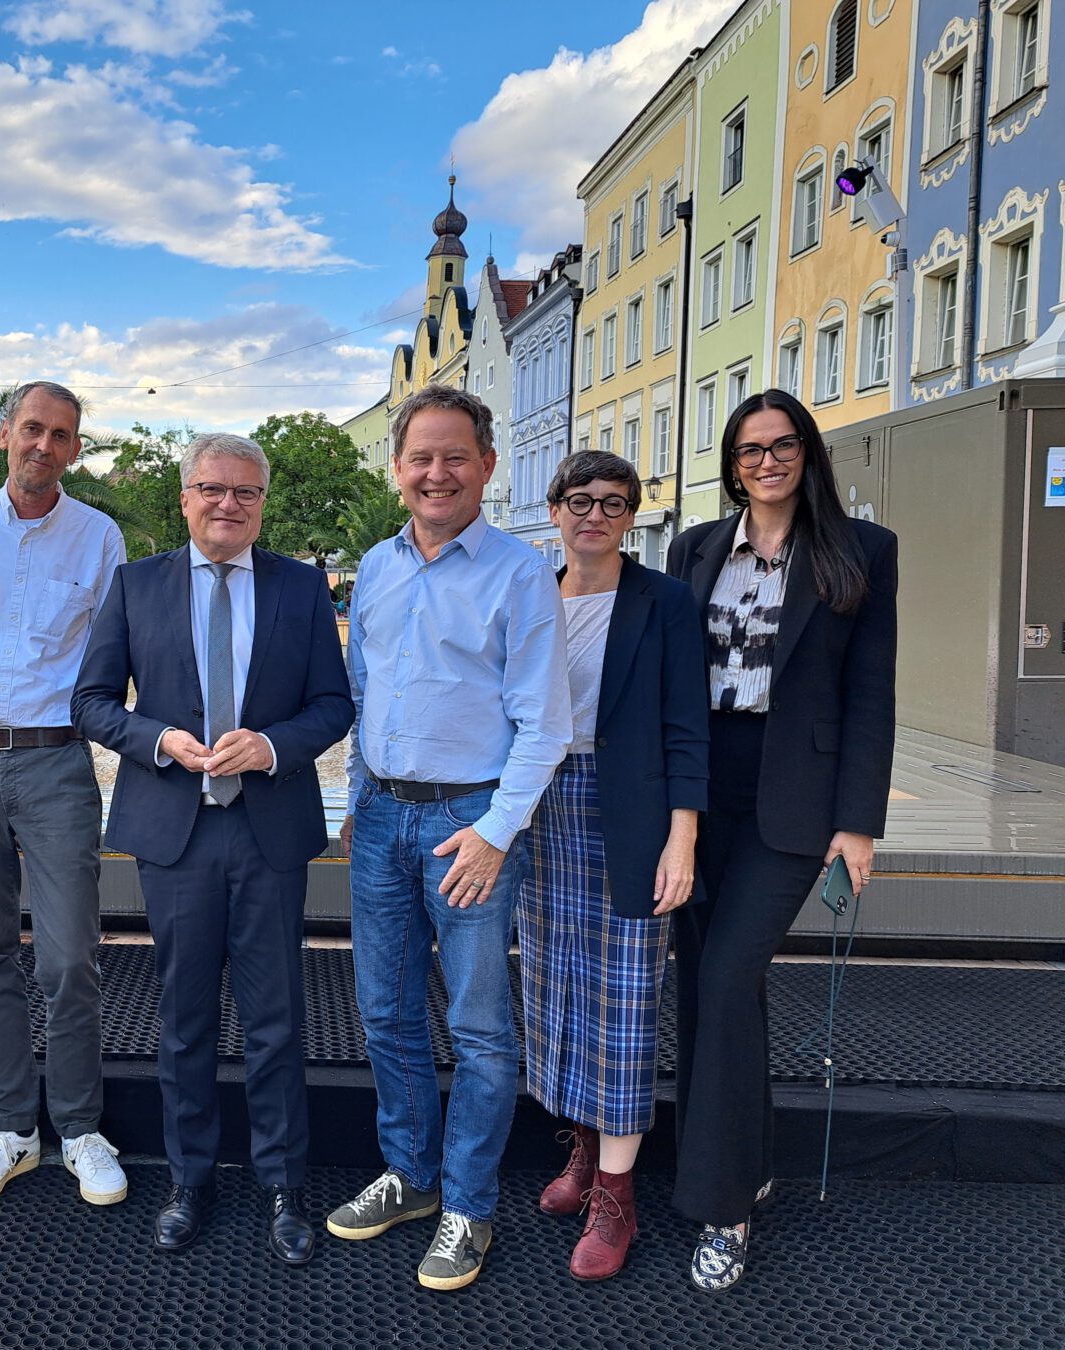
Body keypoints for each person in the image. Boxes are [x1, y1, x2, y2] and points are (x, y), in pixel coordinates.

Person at [72, 432, 353, 1265]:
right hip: (175, 830)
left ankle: (282, 1184)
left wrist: (272, 747)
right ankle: (189, 1179)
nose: (227, 504)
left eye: (245, 492)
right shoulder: (135, 586)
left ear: (262, 504)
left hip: (268, 827)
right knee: (185, 1018)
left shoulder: (304, 589)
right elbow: (90, 702)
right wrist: (158, 739)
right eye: (211, 489)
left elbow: (334, 705)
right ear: (184, 497)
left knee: (276, 1019)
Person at [328, 384, 570, 1291]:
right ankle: (411, 1177)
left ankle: (469, 1205)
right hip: (384, 817)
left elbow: (543, 726)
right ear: (398, 471)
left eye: (454, 456)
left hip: (471, 824)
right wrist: (358, 798)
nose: (437, 472)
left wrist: (496, 835)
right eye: (420, 458)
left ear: (487, 466)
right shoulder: (376, 567)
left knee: (476, 1026)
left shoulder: (517, 574)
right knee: (385, 1011)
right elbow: (362, 697)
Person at [667, 388, 897, 1292]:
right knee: (711, 988)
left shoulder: (861, 551)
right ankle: (746, 1158)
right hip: (700, 792)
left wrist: (860, 822)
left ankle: (720, 1209)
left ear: (807, 453)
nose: (766, 460)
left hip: (795, 803)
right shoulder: (694, 549)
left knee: (727, 979)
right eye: (749, 449)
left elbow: (871, 693)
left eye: (782, 444)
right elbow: (672, 677)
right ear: (731, 463)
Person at [0, 381, 130, 1209]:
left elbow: (116, 655)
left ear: (76, 449)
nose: (44, 445)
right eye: (32, 429)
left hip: (53, 763)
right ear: (7, 434)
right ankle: (10, 1128)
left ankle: (79, 1127)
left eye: (62, 435)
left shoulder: (99, 536)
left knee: (71, 954)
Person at [516, 451, 708, 1281]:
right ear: (554, 509)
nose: (595, 515)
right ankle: (585, 1149)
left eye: (614, 503)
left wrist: (682, 836)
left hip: (630, 813)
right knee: (556, 989)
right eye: (580, 500)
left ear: (632, 515)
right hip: (541, 805)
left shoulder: (663, 600)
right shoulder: (530, 595)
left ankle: (617, 1196)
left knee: (624, 1001)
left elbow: (686, 726)